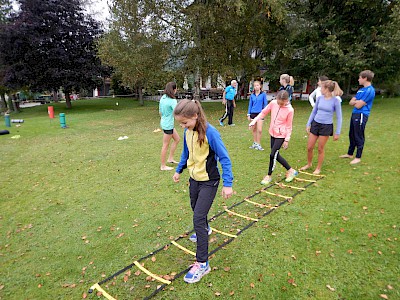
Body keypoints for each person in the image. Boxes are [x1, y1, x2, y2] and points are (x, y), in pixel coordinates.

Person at [173, 99, 234, 284]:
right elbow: (186, 153)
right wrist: (178, 169)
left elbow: (225, 158)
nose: (183, 126)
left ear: (195, 116)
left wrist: (228, 183)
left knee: (198, 218)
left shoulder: (211, 133)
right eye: (180, 124)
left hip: (209, 181)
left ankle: (202, 263)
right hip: (194, 180)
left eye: (185, 122)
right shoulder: (187, 132)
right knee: (196, 209)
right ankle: (205, 229)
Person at [249, 90, 298, 184]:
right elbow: (263, 112)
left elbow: (289, 126)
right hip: (272, 132)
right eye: (278, 102)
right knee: (276, 155)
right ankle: (291, 171)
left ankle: (269, 176)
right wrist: (254, 121)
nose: (279, 105)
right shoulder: (273, 103)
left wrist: (287, 140)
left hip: (281, 135)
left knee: (272, 155)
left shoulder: (290, 110)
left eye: (282, 103)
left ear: (286, 100)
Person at [300, 80, 343, 174]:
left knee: (320, 148)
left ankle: (318, 168)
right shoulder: (319, 98)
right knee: (309, 147)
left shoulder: (336, 100)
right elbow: (314, 111)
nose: (320, 89)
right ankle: (309, 164)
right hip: (316, 124)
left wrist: (337, 132)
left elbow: (339, 117)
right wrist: (308, 124)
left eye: (322, 88)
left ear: (327, 89)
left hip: (326, 126)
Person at [339, 70, 375, 165]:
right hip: (354, 113)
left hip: (362, 114)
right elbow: (351, 102)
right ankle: (350, 153)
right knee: (352, 134)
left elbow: (358, 105)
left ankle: (358, 157)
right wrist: (356, 102)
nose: (358, 79)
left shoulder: (370, 90)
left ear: (365, 78)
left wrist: (356, 102)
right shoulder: (361, 90)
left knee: (358, 135)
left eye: (360, 78)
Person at [159, 82, 180, 171]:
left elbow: (159, 112)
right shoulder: (172, 101)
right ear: (174, 90)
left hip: (164, 122)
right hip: (168, 125)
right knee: (165, 145)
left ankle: (170, 158)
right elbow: (178, 112)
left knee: (177, 139)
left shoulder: (163, 98)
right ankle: (163, 166)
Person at [247, 80, 268, 150]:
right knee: (254, 129)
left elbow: (265, 104)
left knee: (259, 130)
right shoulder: (252, 95)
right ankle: (255, 143)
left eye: (257, 85)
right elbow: (250, 105)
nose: (256, 87)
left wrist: (264, 112)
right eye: (255, 86)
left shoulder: (263, 94)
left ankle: (259, 144)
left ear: (260, 86)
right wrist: (248, 114)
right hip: (253, 113)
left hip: (260, 113)